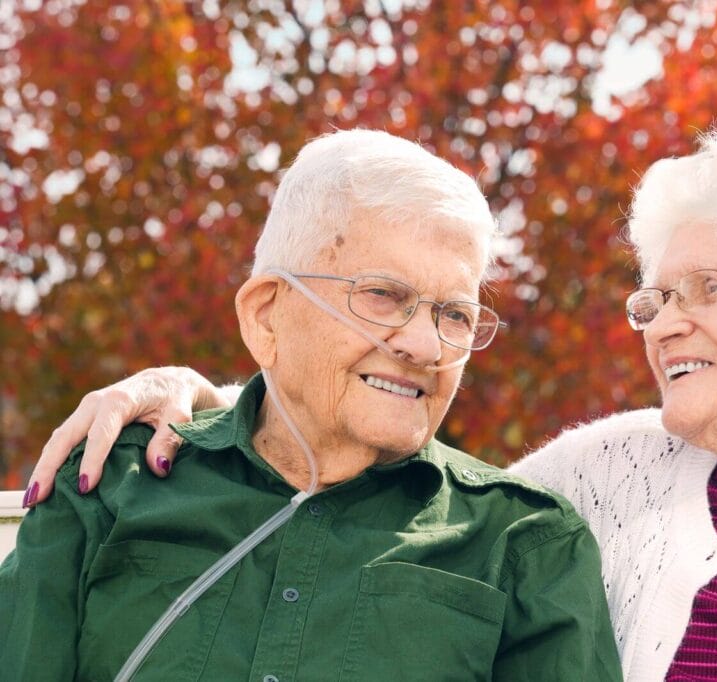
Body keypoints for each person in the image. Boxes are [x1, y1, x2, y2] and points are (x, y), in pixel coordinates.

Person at [20, 128, 717, 680]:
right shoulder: (592, 482)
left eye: (709, 288)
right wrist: (187, 395)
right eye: (654, 298)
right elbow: (314, 425)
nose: (662, 324)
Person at [0, 129, 620, 681]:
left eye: (455, 314)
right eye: (383, 295)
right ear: (267, 314)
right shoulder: (111, 482)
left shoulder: (525, 543)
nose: (426, 346)